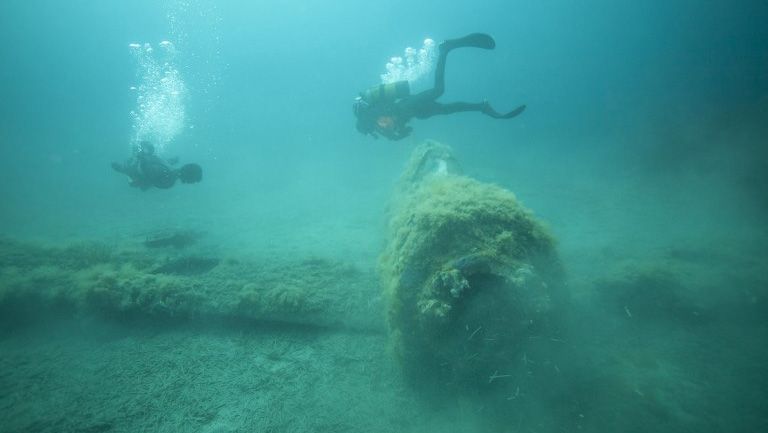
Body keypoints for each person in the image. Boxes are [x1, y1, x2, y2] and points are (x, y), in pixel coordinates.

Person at [353, 33, 526, 141]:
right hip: (418, 113)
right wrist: (401, 133)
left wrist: (398, 130)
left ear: (376, 117)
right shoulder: (380, 128)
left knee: (439, 90)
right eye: (381, 126)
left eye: (382, 122)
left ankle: (445, 49)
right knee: (446, 109)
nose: (385, 125)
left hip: (410, 105)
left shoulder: (377, 113)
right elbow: (393, 135)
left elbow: (391, 126)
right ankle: (482, 106)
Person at [111, 141, 202, 190]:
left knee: (129, 171)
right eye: (193, 180)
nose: (193, 183)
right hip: (140, 169)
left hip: (140, 171)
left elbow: (149, 170)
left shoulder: (169, 178)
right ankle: (124, 169)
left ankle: (124, 169)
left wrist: (142, 157)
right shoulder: (168, 177)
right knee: (129, 170)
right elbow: (150, 168)